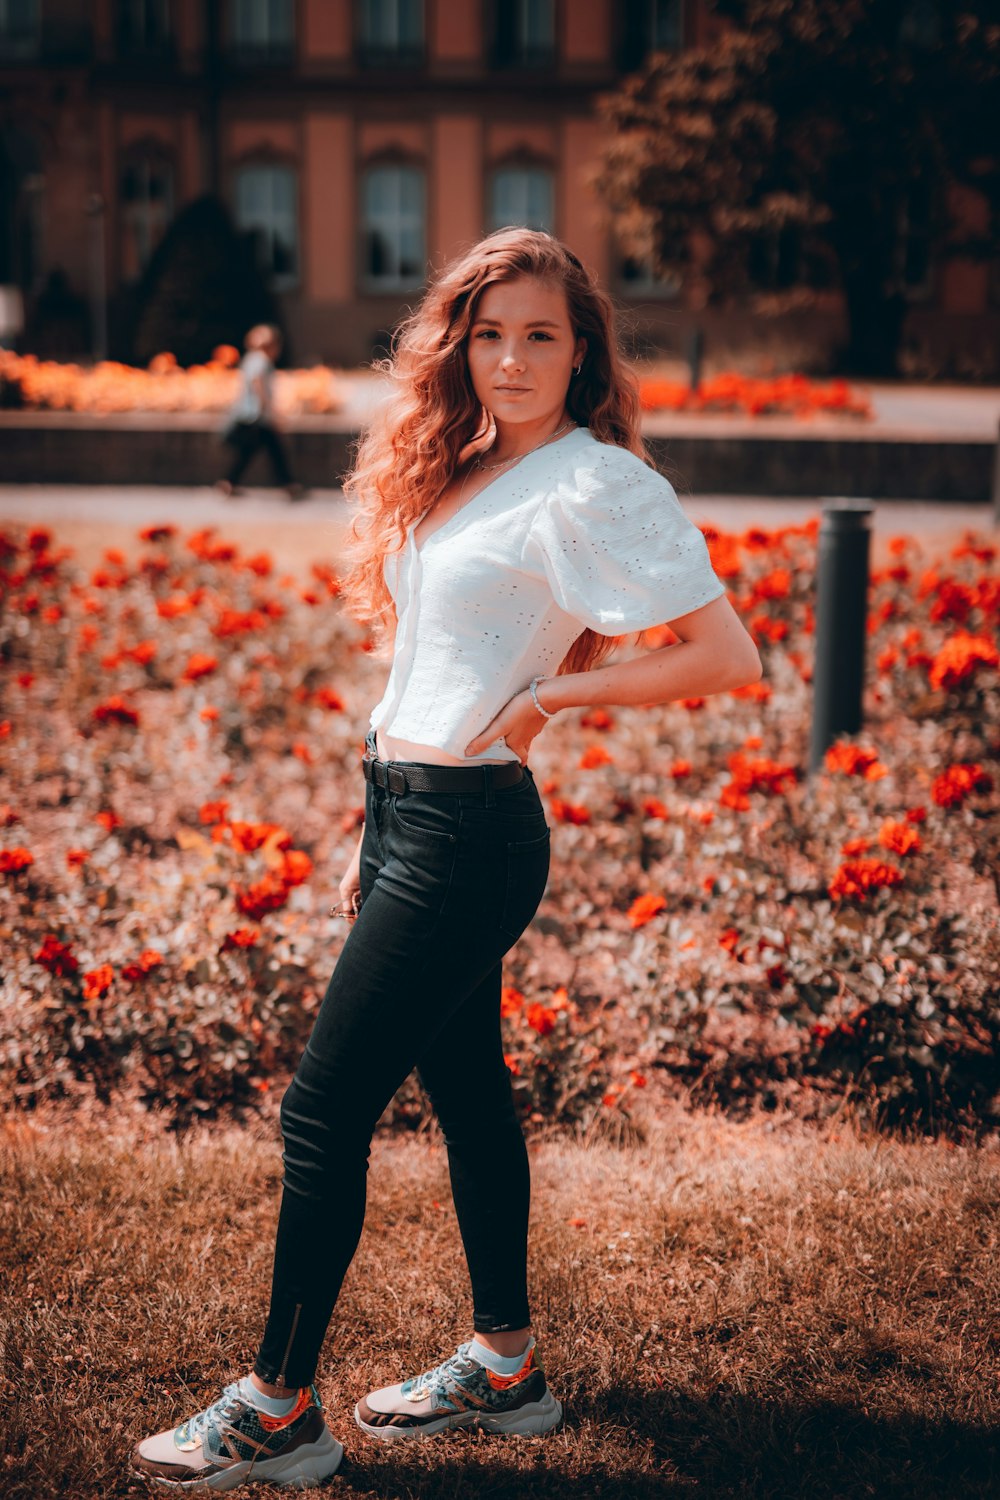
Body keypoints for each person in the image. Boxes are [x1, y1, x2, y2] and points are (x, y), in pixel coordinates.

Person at [133, 228, 761, 1489]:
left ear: (583, 351)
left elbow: (724, 655)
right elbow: (423, 668)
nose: (512, 358)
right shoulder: (469, 466)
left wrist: (548, 706)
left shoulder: (596, 481)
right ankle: (508, 1369)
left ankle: (276, 1410)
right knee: (468, 1096)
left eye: (541, 334)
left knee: (321, 1115)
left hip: (474, 830)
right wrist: (372, 825)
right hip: (412, 813)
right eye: (489, 333)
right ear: (456, 344)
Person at [216, 323, 305, 501]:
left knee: (249, 452)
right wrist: (268, 408)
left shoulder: (251, 358)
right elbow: (258, 383)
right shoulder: (261, 360)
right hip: (256, 416)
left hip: (251, 415)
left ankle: (229, 482)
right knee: (273, 450)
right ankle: (288, 484)